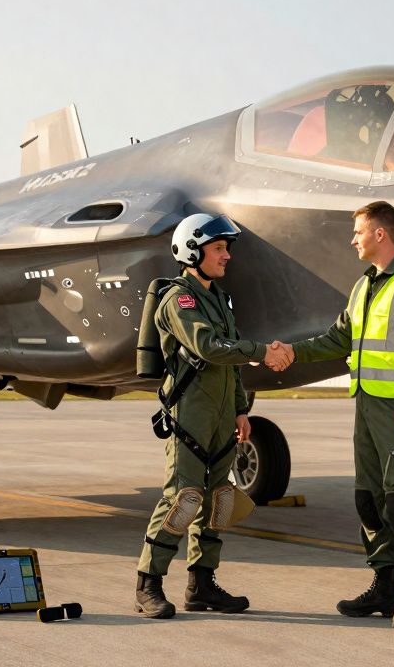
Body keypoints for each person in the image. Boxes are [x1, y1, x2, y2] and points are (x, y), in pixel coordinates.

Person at [266, 200, 394, 630]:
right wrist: (292, 352)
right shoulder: (363, 286)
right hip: (366, 406)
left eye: (359, 231)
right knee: (369, 498)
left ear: (380, 234)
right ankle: (385, 585)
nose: (353, 239)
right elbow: (338, 338)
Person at [135, 212, 277, 619]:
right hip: (190, 415)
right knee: (181, 500)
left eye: (226, 248)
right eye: (218, 248)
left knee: (218, 501)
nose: (226, 256)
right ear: (192, 251)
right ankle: (148, 584)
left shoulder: (219, 299)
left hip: (220, 417)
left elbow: (228, 364)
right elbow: (210, 347)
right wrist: (262, 351)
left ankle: (202, 585)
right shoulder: (177, 300)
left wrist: (240, 409)